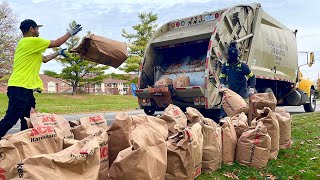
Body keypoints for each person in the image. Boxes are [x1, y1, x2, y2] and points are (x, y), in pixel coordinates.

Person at [0, 19, 82, 138]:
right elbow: (57, 42)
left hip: (26, 89)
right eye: (37, 28)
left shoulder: (31, 47)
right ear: (31, 29)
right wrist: (70, 33)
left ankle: (25, 144)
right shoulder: (30, 41)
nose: (39, 31)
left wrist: (58, 53)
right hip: (19, 87)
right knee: (10, 119)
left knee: (28, 120)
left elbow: (45, 59)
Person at [219, 41, 256, 118]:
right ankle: (223, 120)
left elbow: (251, 77)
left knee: (243, 106)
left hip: (242, 89)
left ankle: (245, 121)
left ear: (236, 57)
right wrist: (222, 84)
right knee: (225, 105)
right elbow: (222, 76)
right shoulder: (225, 66)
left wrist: (252, 88)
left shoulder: (242, 66)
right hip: (231, 89)